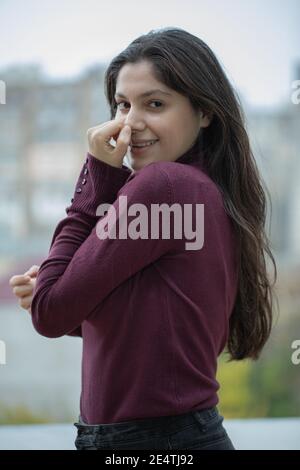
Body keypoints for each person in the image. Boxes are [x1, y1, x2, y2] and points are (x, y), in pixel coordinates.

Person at [9, 27, 277, 450]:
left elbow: (50, 314)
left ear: (205, 111)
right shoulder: (206, 188)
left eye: (154, 104)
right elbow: (157, 330)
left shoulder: (162, 185)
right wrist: (60, 293)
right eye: (121, 105)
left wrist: (98, 175)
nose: (130, 125)